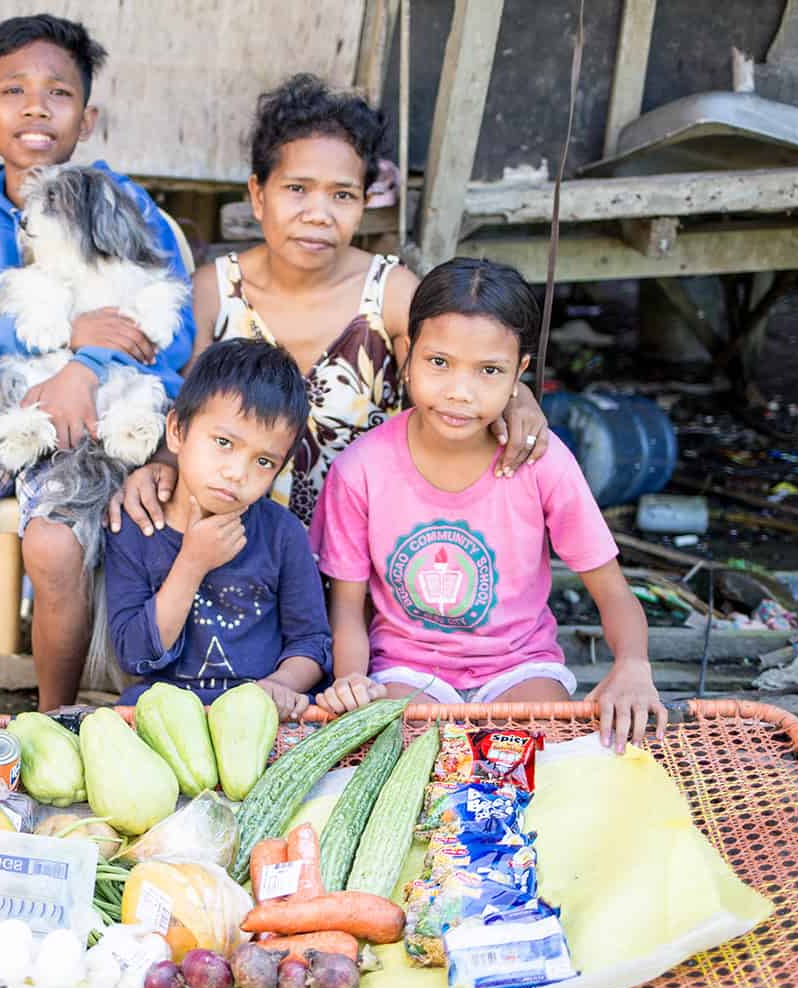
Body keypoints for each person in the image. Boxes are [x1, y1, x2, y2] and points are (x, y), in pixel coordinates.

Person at [0, 14, 195, 711]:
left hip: (91, 411)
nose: (34, 107)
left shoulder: (120, 203)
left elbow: (166, 332)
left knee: (53, 545)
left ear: (87, 117)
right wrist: (56, 334)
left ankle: (54, 718)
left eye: (58, 93)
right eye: (13, 91)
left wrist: (83, 364)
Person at [109, 73, 546, 538]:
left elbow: (468, 355)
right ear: (258, 195)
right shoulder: (213, 293)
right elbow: (181, 409)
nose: (319, 214)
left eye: (342, 195)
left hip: (371, 548)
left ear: (363, 202)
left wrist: (521, 399)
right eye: (297, 189)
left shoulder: (391, 293)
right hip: (235, 554)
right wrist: (159, 465)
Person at [311, 258, 665, 752]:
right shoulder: (360, 470)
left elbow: (612, 590)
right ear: (407, 353)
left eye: (489, 371)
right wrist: (352, 680)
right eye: (439, 362)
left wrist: (632, 665)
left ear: (519, 373)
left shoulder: (542, 462)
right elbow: (347, 610)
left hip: (520, 665)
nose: (460, 391)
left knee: (549, 760)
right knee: (403, 759)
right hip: (407, 670)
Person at [104, 338, 331, 716]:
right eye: (224, 442)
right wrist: (192, 564)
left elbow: (311, 643)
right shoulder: (137, 527)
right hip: (168, 715)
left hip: (259, 714)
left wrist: (281, 684)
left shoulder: (281, 534)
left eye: (263, 462)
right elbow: (135, 654)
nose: (237, 473)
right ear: (176, 430)